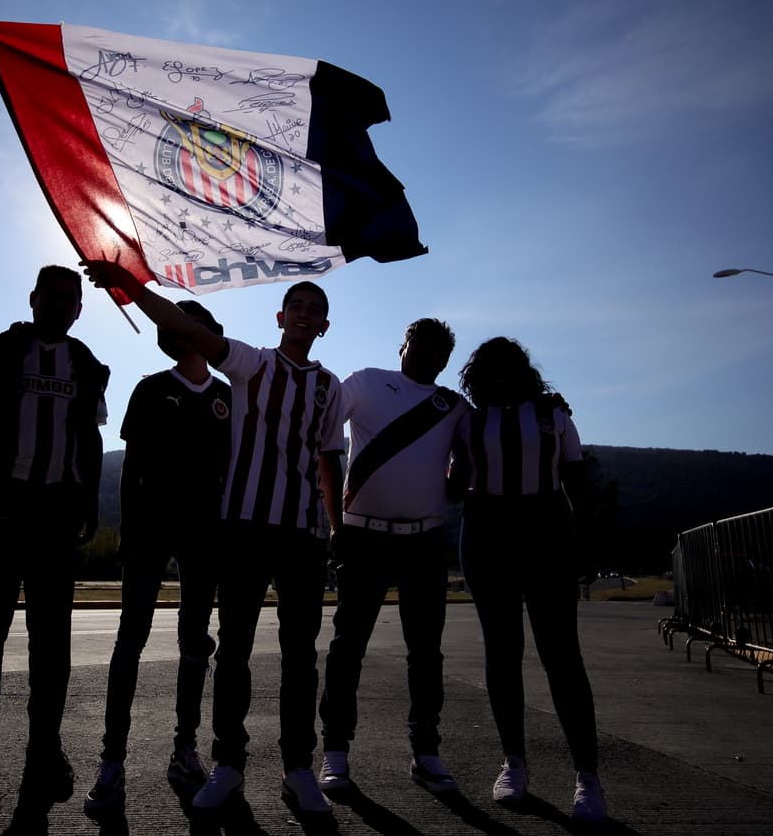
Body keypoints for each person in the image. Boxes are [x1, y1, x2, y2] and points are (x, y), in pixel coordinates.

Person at [81, 259, 345, 819]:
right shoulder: (249, 366)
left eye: (315, 309)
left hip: (299, 533)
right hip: (244, 528)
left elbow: (328, 461)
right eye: (296, 305)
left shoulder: (328, 387)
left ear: (325, 325)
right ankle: (225, 764)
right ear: (280, 315)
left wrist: (335, 526)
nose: (304, 314)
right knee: (234, 653)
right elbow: (189, 330)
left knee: (300, 657)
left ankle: (298, 768)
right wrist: (130, 287)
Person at [0, 264, 109, 836]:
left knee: (51, 646)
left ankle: (44, 751)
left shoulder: (87, 366)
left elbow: (93, 437)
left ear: (80, 308)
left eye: (69, 298)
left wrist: (91, 504)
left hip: (58, 517)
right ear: (32, 299)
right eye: (50, 296)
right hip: (5, 513)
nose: (59, 305)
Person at [83, 300, 232, 820]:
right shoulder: (150, 388)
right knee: (131, 640)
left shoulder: (226, 398)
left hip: (204, 536)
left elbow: (233, 474)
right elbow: (131, 468)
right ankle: (111, 760)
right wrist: (128, 530)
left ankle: (184, 746)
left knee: (195, 642)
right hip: (150, 532)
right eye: (175, 325)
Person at [449, 336, 606, 823]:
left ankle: (588, 776)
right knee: (502, 651)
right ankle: (513, 763)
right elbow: (455, 486)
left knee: (561, 654)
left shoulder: (553, 416)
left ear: (524, 371)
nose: (500, 375)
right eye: (491, 368)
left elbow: (577, 482)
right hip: (487, 532)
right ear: (476, 376)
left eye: (507, 366)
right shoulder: (467, 421)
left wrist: (587, 546)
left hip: (545, 531)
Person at [317, 318, 464, 796]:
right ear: (402, 346)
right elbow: (320, 436)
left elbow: (491, 438)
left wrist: (546, 403)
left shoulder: (455, 408)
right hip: (363, 536)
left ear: (446, 361)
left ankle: (426, 752)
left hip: (425, 541)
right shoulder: (364, 382)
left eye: (437, 353)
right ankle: (335, 753)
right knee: (347, 648)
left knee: (426, 654)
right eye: (418, 347)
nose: (425, 357)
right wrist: (334, 526)